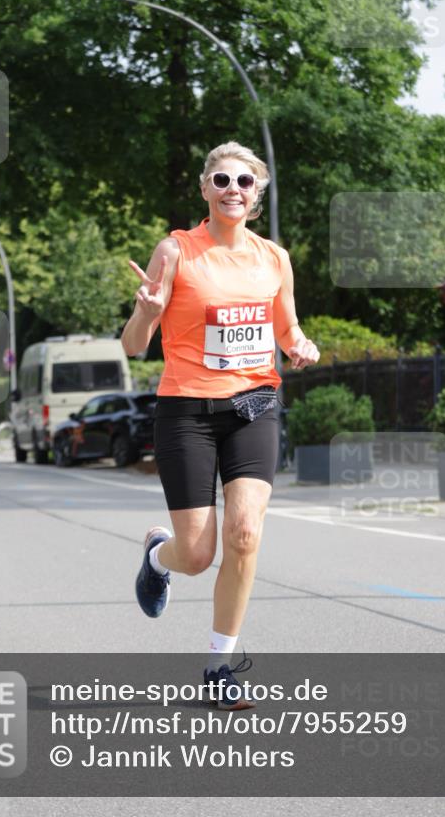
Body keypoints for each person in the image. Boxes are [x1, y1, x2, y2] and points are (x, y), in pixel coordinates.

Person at [121, 141, 319, 710]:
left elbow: (287, 331)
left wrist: (300, 345)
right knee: (198, 555)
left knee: (245, 534)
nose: (234, 189)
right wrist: (148, 312)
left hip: (254, 406)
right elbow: (134, 347)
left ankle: (220, 667)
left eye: (245, 182)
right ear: (205, 189)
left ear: (257, 197)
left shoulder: (274, 258)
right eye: (223, 179)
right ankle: (158, 556)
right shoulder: (177, 251)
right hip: (186, 412)